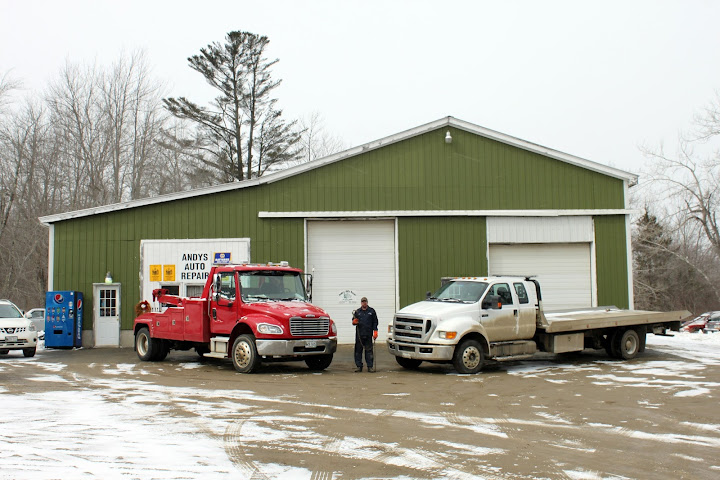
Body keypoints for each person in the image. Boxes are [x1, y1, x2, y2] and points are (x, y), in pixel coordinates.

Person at [352, 296, 379, 372]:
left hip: (368, 334)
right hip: (359, 335)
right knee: (358, 351)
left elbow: (375, 322)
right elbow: (353, 321)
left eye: (365, 302)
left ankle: (370, 366)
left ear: (367, 302)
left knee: (369, 351)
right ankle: (359, 366)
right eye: (363, 302)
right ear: (361, 303)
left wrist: (375, 331)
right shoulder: (357, 312)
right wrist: (354, 322)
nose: (364, 303)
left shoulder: (372, 311)